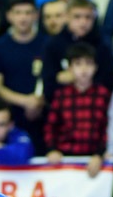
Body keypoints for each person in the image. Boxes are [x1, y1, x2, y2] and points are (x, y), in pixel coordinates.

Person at [0, 0, 49, 153]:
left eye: (28, 13)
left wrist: (38, 102)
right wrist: (25, 101)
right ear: (9, 16)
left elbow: (53, 81)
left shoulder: (48, 45)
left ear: (36, 15)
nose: (23, 18)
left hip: (42, 119)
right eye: (18, 13)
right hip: (8, 122)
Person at [43, 43, 109, 177]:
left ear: (96, 67)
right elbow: (50, 127)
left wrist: (100, 154)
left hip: (95, 159)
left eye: (89, 63)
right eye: (78, 64)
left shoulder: (104, 95)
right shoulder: (60, 95)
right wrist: (52, 150)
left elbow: (108, 128)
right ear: (69, 68)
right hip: (64, 159)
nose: (84, 69)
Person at [42, 0, 113, 103]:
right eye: (77, 17)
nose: (83, 22)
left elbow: (110, 82)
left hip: (95, 104)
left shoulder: (102, 46)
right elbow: (48, 86)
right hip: (62, 105)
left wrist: (77, 77)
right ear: (66, 17)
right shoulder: (53, 45)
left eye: (88, 17)